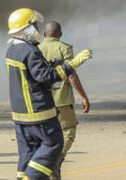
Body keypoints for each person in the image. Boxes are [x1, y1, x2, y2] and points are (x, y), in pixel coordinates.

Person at [5, 8, 92, 180]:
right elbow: (46, 76)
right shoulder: (30, 51)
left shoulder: (12, 50)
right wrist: (72, 64)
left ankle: (25, 176)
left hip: (20, 114)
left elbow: (30, 78)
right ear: (26, 27)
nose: (36, 29)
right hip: (38, 112)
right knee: (53, 143)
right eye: (34, 25)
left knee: (27, 152)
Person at [38, 21, 91, 178]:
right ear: (60, 34)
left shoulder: (36, 50)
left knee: (46, 135)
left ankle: (47, 163)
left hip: (42, 101)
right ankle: (56, 157)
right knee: (68, 131)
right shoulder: (64, 48)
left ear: (44, 34)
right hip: (62, 100)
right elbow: (71, 74)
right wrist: (84, 96)